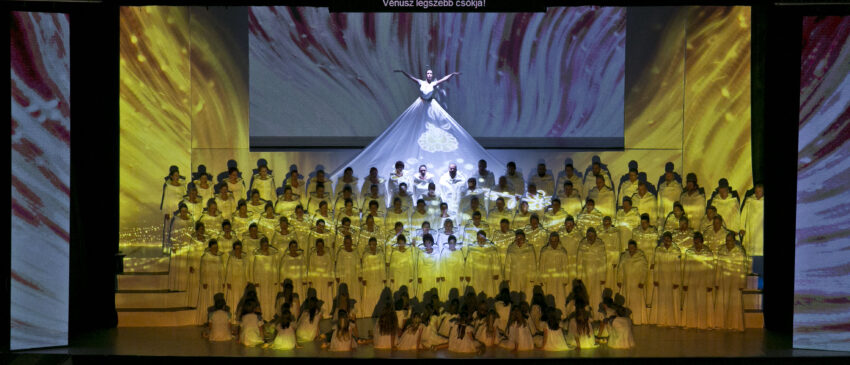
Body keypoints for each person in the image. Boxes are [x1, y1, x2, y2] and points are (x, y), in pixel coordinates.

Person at [681, 232, 716, 330]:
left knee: (703, 303)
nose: (697, 244)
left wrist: (710, 283)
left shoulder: (708, 253)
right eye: (695, 242)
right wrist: (685, 283)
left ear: (702, 242)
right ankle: (691, 323)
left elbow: (711, 270)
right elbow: (686, 268)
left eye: (698, 242)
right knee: (691, 302)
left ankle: (702, 324)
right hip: (692, 280)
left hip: (703, 281)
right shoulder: (689, 252)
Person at [715, 231, 748, 331]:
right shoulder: (721, 251)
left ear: (734, 241)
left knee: (734, 302)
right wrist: (717, 280)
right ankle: (722, 324)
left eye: (729, 240)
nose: (727, 242)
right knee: (723, 301)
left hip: (735, 280)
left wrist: (742, 282)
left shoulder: (739, 252)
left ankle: (734, 325)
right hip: (724, 279)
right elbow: (718, 267)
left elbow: (742, 268)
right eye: (726, 240)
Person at [648, 232, 682, 327]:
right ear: (663, 240)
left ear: (671, 240)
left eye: (669, 240)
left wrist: (676, 281)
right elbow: (656, 265)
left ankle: (672, 322)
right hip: (662, 278)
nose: (667, 242)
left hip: (672, 279)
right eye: (665, 240)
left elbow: (677, 267)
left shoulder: (676, 250)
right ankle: (661, 321)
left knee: (672, 300)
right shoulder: (658, 250)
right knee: (661, 300)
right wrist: (656, 278)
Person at [617, 240, 648, 325]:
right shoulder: (624, 256)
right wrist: (619, 280)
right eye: (630, 247)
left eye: (633, 247)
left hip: (637, 283)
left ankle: (637, 320)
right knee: (626, 300)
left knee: (636, 301)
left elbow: (644, 270)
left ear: (636, 248)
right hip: (626, 282)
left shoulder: (641, 257)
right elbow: (620, 269)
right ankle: (626, 319)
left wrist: (642, 281)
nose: (631, 249)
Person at [538, 232, 570, 313]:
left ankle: (561, 314)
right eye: (552, 240)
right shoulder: (545, 251)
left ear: (558, 241)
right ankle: (548, 314)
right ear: (549, 241)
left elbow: (565, 267)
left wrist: (565, 279)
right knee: (548, 296)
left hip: (559, 278)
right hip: (548, 278)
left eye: (555, 240)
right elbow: (541, 266)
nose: (553, 242)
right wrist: (542, 279)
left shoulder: (562, 251)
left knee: (560, 297)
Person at [196, 239, 226, 325]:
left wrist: (223, 281)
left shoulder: (220, 257)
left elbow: (222, 270)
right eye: (213, 247)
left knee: (217, 300)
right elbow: (202, 271)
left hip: (217, 282)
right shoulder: (205, 257)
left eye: (216, 247)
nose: (215, 249)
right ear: (210, 248)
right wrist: (204, 281)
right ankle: (207, 320)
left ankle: (217, 320)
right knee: (208, 300)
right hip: (208, 282)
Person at [168, 203, 195, 291]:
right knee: (178, 267)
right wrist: (174, 245)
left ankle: (185, 286)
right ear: (180, 211)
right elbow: (173, 233)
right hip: (178, 247)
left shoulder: (191, 221)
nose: (184, 212)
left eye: (185, 211)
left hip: (187, 246)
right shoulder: (176, 221)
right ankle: (176, 286)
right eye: (182, 211)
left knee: (186, 267)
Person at [505, 230, 537, 301]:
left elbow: (533, 263)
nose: (519, 240)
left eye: (521, 238)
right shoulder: (511, 248)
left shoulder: (529, 248)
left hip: (526, 276)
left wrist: (532, 277)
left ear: (524, 239)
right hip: (514, 277)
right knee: (514, 295)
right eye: (517, 238)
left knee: (527, 295)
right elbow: (507, 264)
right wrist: (507, 277)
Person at [252, 237, 279, 321]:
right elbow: (255, 269)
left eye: (266, 245)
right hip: (261, 281)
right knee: (262, 298)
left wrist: (275, 280)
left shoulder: (272, 256)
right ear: (261, 245)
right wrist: (256, 281)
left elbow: (274, 267)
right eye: (264, 245)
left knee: (271, 297)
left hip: (270, 280)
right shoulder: (258, 257)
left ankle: (270, 316)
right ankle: (262, 317)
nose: (265, 246)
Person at [466, 231, 500, 297]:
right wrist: (467, 274)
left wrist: (496, 273)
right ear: (477, 238)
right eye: (479, 238)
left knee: (489, 291)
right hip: (476, 275)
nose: (481, 240)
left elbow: (496, 262)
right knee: (476, 291)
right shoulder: (472, 249)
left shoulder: (491, 248)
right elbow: (468, 263)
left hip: (488, 274)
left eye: (482, 238)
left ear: (485, 238)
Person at [334, 235, 362, 317]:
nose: (348, 244)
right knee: (344, 294)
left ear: (351, 243)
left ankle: (355, 312)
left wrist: (360, 274)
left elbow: (358, 265)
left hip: (353, 276)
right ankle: (344, 312)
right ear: (344, 243)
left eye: (349, 243)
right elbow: (338, 264)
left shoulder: (355, 252)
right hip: (344, 277)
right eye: (346, 243)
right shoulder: (341, 253)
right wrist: (338, 275)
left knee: (353, 293)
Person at [307, 239, 334, 317]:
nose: (320, 247)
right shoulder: (312, 256)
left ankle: (326, 313)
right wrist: (310, 279)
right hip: (316, 279)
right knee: (317, 295)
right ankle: (317, 313)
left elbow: (330, 267)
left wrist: (330, 279)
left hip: (325, 279)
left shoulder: (328, 256)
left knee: (326, 295)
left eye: (321, 245)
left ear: (323, 246)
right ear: (316, 246)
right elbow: (310, 268)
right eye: (318, 245)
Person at [360, 237, 387, 317]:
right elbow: (364, 267)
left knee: (378, 294)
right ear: (369, 245)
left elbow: (382, 266)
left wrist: (384, 277)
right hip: (369, 278)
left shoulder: (380, 254)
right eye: (371, 244)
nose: (373, 246)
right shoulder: (366, 255)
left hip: (378, 278)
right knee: (369, 295)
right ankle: (369, 312)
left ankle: (379, 311)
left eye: (374, 244)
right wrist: (364, 278)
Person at [186, 222, 209, 309]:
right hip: (195, 264)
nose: (202, 231)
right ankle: (193, 303)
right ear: (196, 230)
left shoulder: (207, 240)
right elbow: (190, 253)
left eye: (203, 229)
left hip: (204, 265)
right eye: (200, 229)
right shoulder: (193, 240)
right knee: (195, 284)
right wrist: (191, 265)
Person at [224, 241, 250, 319]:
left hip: (242, 282)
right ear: (234, 249)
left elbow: (247, 270)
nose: (238, 250)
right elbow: (228, 270)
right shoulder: (231, 259)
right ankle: (234, 317)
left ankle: (242, 316)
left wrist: (248, 280)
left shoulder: (245, 258)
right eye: (237, 248)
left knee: (242, 298)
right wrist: (228, 282)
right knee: (234, 298)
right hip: (233, 282)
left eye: (240, 248)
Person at [740, 183, 764, 258]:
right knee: (749, 252)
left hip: (761, 232)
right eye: (756, 191)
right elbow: (743, 214)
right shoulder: (749, 200)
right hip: (751, 230)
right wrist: (742, 228)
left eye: (759, 191)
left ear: (763, 191)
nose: (757, 193)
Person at [597, 216, 622, 286]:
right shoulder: (599, 231)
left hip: (611, 257)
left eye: (608, 222)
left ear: (611, 223)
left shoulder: (615, 232)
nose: (606, 224)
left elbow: (617, 247)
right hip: (601, 257)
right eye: (605, 222)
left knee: (610, 277)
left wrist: (615, 260)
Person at [416, 234, 441, 299]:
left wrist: (438, 275)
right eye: (426, 243)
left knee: (434, 292)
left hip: (434, 275)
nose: (427, 244)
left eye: (429, 242)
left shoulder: (437, 252)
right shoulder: (421, 253)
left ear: (432, 242)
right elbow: (420, 265)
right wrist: (419, 276)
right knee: (425, 291)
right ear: (424, 243)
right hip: (425, 275)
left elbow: (438, 264)